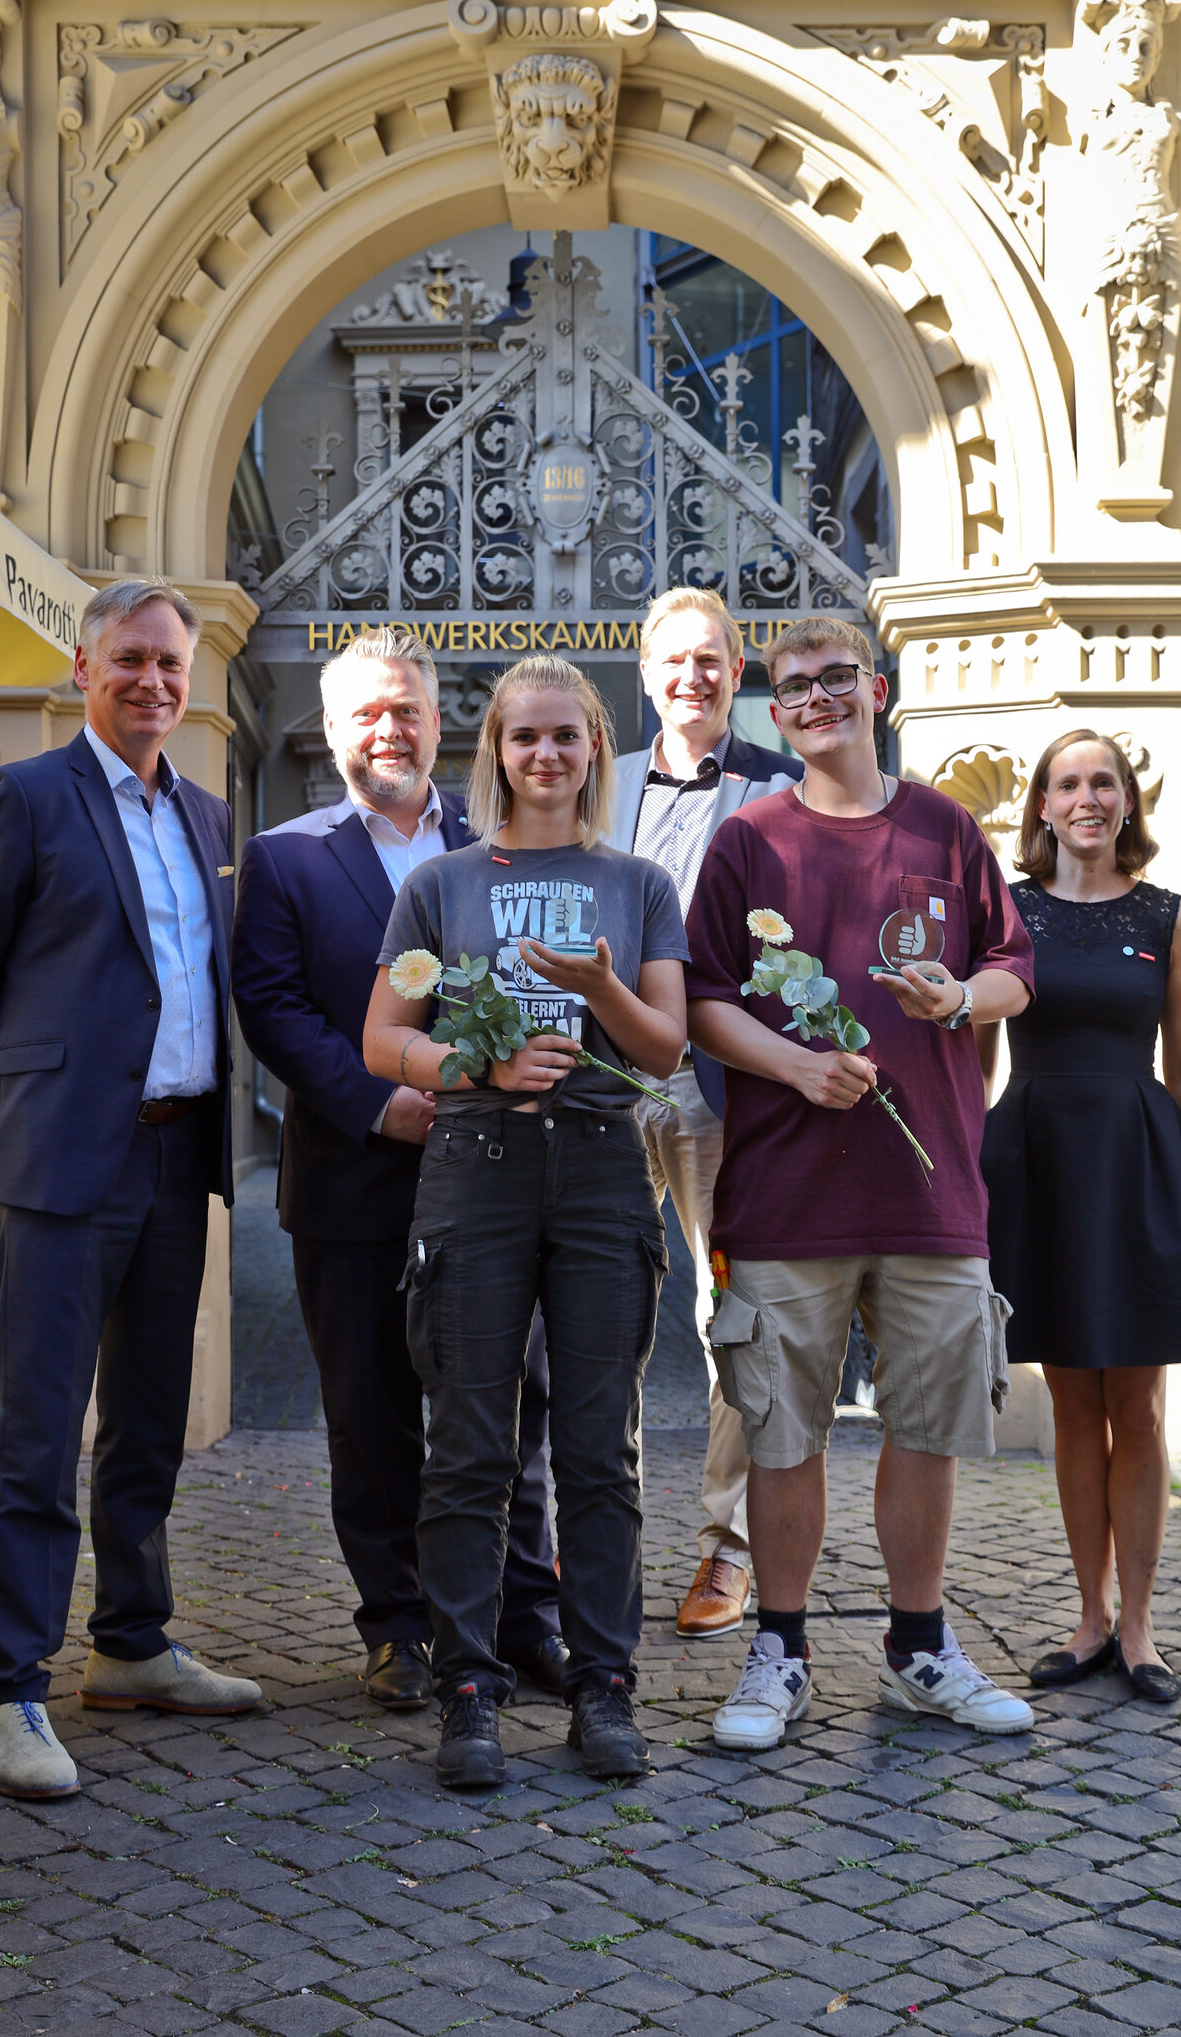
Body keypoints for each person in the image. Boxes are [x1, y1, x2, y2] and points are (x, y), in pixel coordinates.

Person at [0, 577, 262, 1802]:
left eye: (171, 666)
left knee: (148, 1410)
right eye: (130, 659)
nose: (153, 683)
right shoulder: (21, 798)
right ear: (84, 669)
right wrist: (11, 1130)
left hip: (179, 1152)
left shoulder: (210, 818)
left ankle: (131, 1641)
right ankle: (9, 1686)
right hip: (67, 1155)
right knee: (36, 1424)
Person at [684, 616, 1037, 1750]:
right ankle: (777, 1649)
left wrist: (961, 999)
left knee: (924, 1427)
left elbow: (1013, 965)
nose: (817, 698)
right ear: (772, 714)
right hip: (787, 1193)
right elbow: (699, 995)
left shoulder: (942, 825)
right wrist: (791, 1063)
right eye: (793, 687)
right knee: (782, 1432)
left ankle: (916, 1647)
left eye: (836, 678)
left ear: (874, 690)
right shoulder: (749, 839)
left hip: (931, 1190)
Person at [364, 654, 688, 1787]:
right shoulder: (440, 882)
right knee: (468, 1443)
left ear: (595, 750)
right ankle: (468, 1686)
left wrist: (599, 989)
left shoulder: (638, 880)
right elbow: (381, 1039)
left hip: (602, 1168)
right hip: (476, 1167)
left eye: (566, 737)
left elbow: (664, 1046)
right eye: (524, 737)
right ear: (494, 751)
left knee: (602, 1446)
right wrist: (475, 1061)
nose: (545, 755)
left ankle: (602, 1684)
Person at [232, 627, 566, 1715]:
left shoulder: (500, 841)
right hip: (350, 1175)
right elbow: (272, 1006)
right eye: (369, 711)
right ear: (333, 732)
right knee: (370, 1413)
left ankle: (524, 1614)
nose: (392, 727)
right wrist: (382, 1101)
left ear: (437, 722)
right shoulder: (286, 856)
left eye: (409, 709)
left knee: (508, 1405)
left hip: (493, 1176)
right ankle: (396, 1625)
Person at [978, 730, 1181, 1704]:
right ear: (1039, 804)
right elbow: (974, 1041)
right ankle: (1086, 1615)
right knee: (1071, 1403)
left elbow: (1180, 1062)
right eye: (1065, 782)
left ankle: (1138, 1626)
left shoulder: (1170, 914)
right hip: (1037, 1161)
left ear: (1127, 800)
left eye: (1102, 781)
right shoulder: (1008, 908)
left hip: (1134, 1163)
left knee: (1139, 1405)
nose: (1084, 796)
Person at [609, 586, 801, 1640]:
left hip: (720, 1086)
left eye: (712, 658)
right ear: (644, 674)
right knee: (594, 1307)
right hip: (603, 1083)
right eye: (673, 658)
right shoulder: (599, 786)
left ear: (738, 674)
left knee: (732, 1311)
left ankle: (725, 1546)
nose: (692, 674)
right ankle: (585, 1536)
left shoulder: (780, 789)